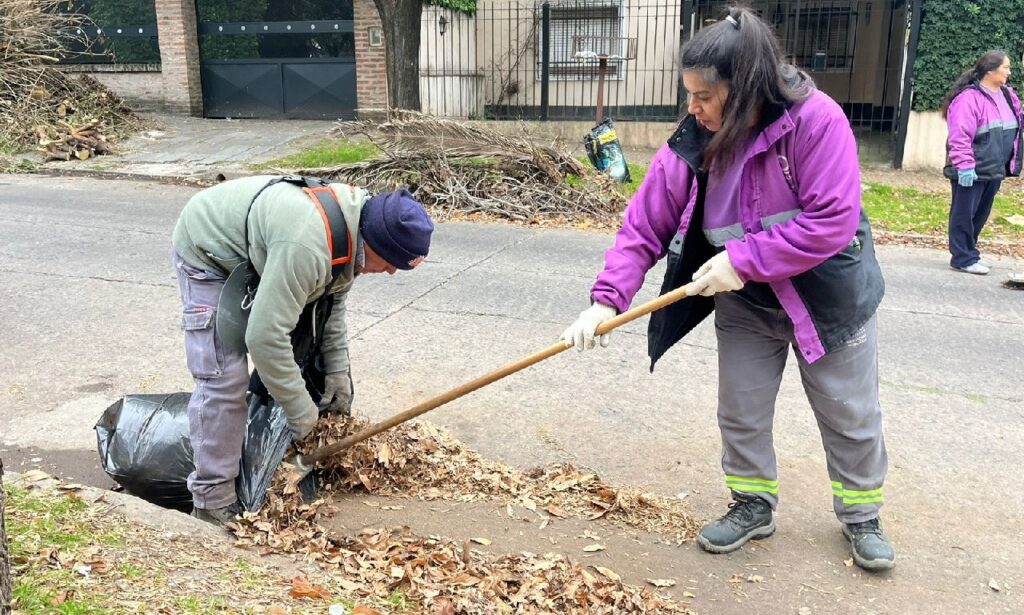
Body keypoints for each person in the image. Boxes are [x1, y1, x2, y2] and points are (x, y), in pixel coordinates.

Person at [561, 7, 894, 571]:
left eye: (704, 96)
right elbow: (644, 224)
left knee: (849, 412)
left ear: (744, 91)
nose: (691, 108)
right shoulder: (697, 138)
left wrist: (743, 258)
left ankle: (862, 515)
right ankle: (752, 503)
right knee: (741, 409)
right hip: (746, 300)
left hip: (829, 297)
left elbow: (832, 220)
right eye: (688, 94)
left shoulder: (817, 121)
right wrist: (604, 300)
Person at [172, 175, 433, 524]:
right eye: (389, 261)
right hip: (209, 249)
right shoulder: (309, 246)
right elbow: (264, 338)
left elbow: (331, 304)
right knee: (224, 378)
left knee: (300, 356)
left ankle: (251, 451)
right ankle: (211, 500)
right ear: (372, 242)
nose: (390, 272)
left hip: (273, 247)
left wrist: (337, 373)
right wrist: (301, 413)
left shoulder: (356, 230)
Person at [942, 51, 1022, 275]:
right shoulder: (969, 99)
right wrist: (965, 166)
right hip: (972, 168)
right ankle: (962, 257)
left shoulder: (1007, 95)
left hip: (995, 168)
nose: (1009, 72)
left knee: (979, 214)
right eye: (1006, 67)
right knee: (963, 215)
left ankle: (970, 252)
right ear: (990, 71)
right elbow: (960, 135)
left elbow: (1018, 120)